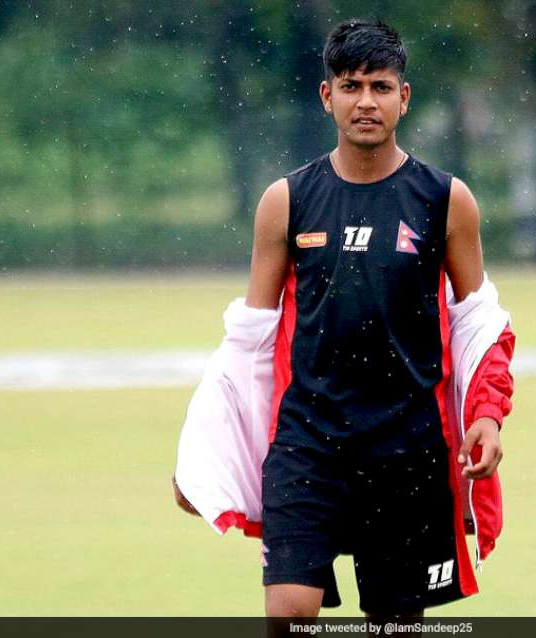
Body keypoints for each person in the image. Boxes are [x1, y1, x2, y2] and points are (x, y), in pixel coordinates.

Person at [173, 18, 515, 619]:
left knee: (394, 624)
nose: (366, 102)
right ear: (326, 96)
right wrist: (204, 453)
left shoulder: (446, 200)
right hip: (309, 442)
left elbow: (478, 322)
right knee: (289, 611)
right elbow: (248, 337)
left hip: (407, 446)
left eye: (381, 87)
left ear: (404, 98)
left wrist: (486, 415)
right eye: (351, 86)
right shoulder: (286, 200)